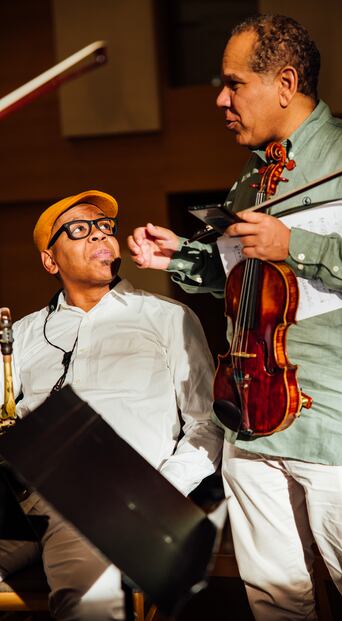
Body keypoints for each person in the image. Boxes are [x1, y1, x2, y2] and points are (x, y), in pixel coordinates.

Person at [127, 14, 342, 621]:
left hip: (338, 425)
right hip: (249, 421)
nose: (221, 99)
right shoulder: (251, 181)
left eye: (234, 84)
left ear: (285, 83)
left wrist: (297, 245)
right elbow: (242, 284)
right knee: (276, 602)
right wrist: (182, 256)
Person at [0, 189, 223, 621]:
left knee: (88, 607)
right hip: (22, 496)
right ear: (50, 261)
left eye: (105, 227)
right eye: (80, 230)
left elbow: (206, 424)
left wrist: (154, 494)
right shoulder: (23, 334)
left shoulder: (167, 317)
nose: (100, 235)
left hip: (106, 500)